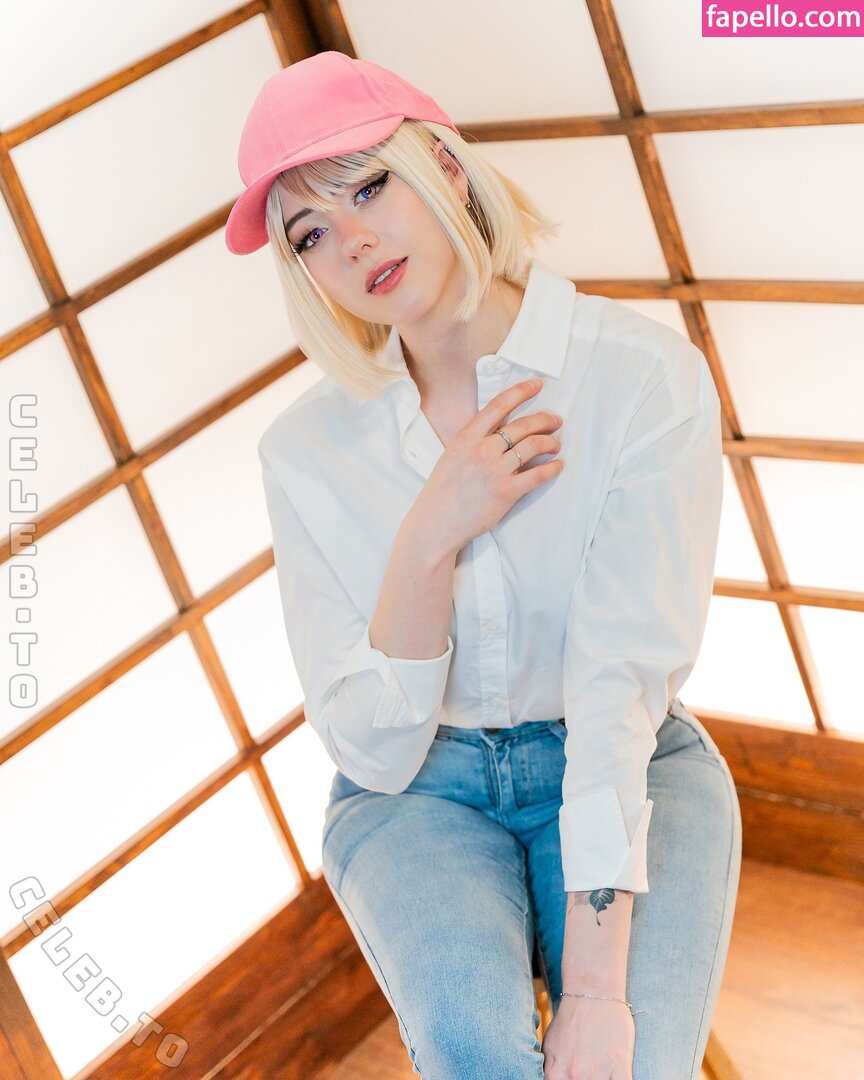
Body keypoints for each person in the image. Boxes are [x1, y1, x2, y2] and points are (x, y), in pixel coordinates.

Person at [225, 51, 742, 1080]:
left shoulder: (640, 380)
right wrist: (433, 529)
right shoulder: (305, 453)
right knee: (475, 1055)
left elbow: (615, 693)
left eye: (368, 186)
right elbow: (369, 743)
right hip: (418, 790)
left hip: (627, 758)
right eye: (309, 233)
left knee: (632, 1064)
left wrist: (593, 997)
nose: (351, 241)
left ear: (449, 170)